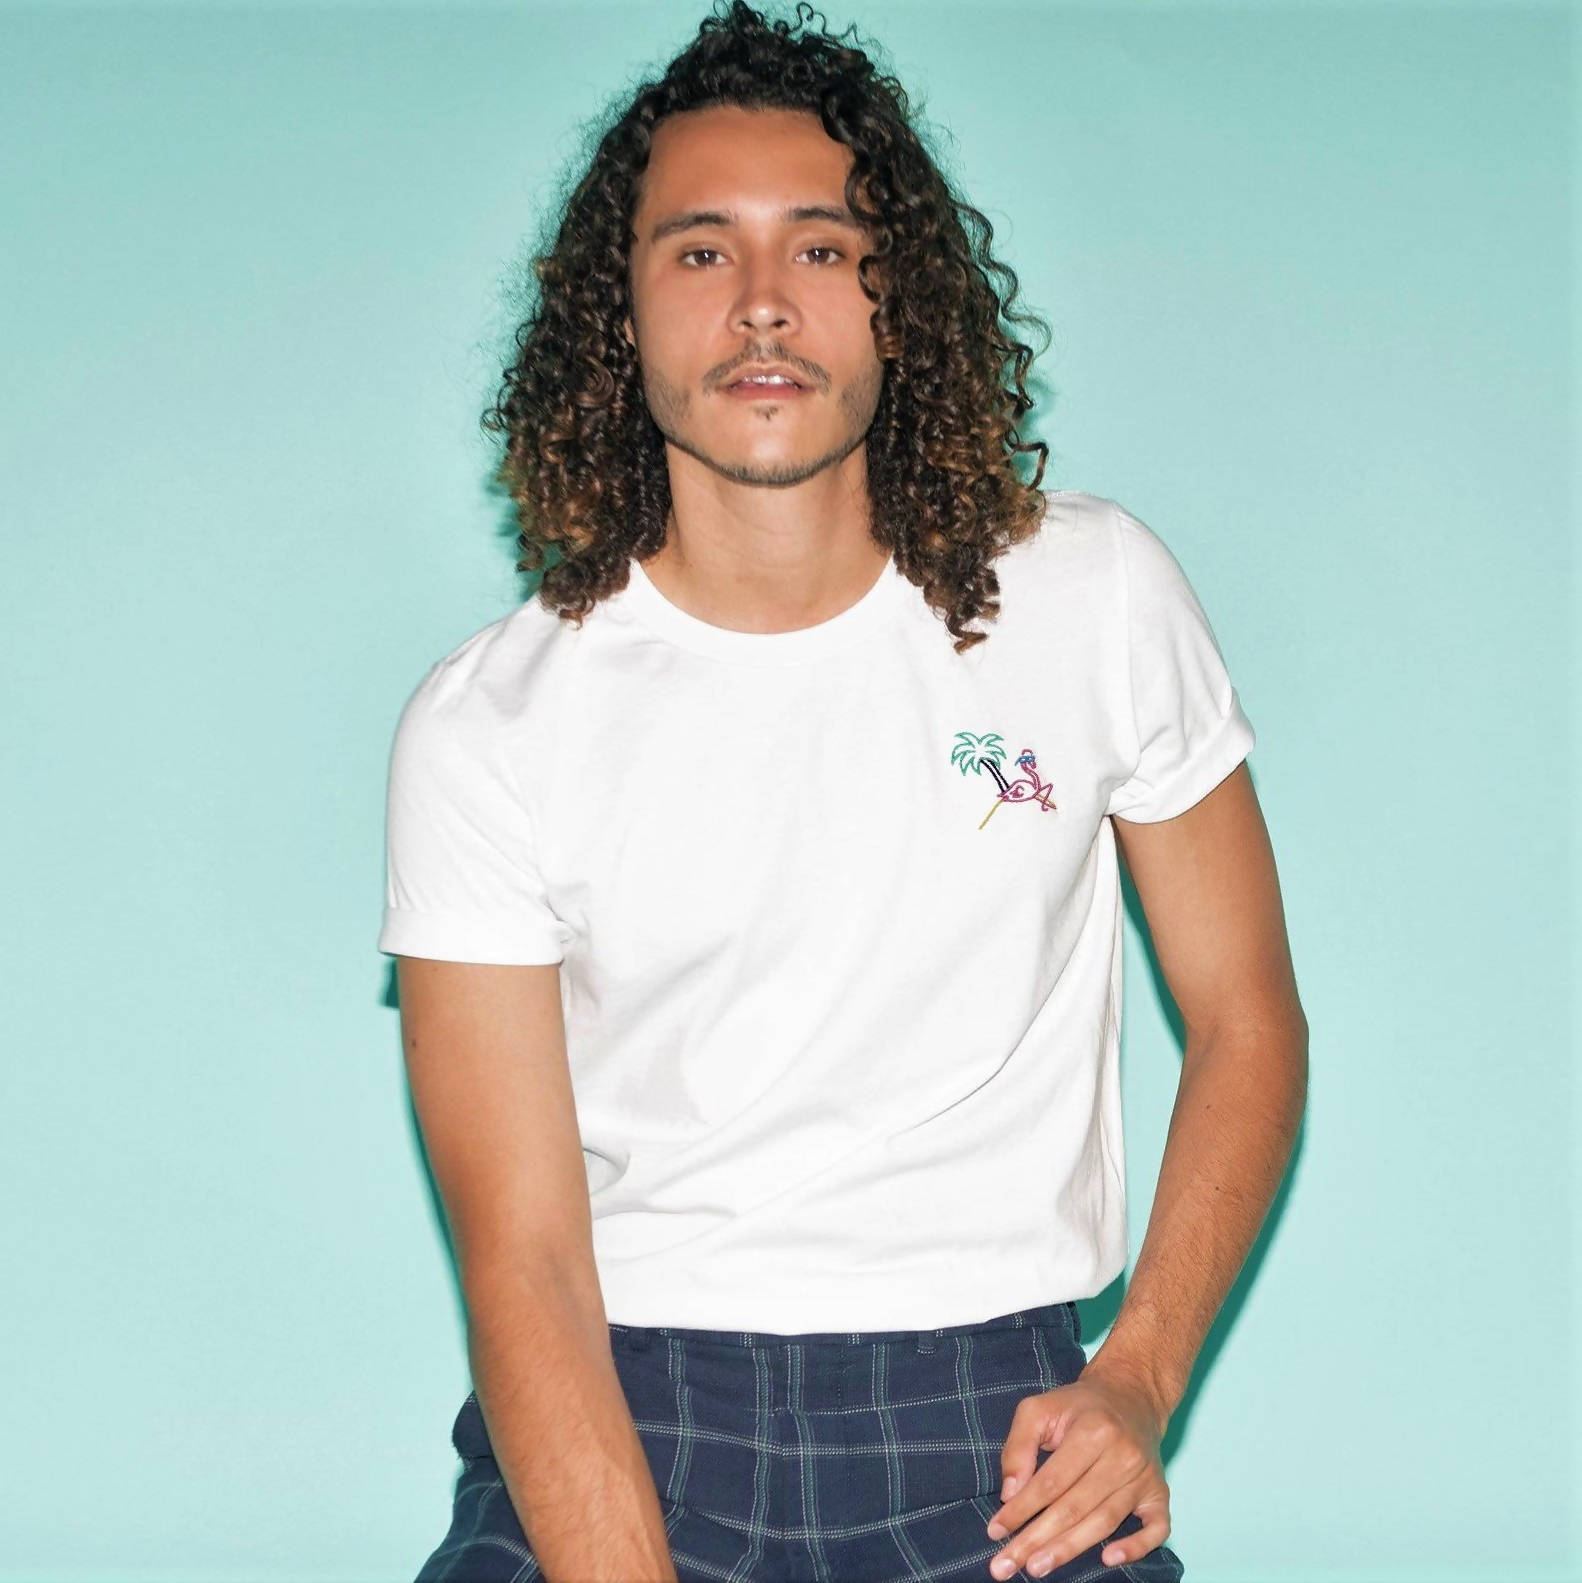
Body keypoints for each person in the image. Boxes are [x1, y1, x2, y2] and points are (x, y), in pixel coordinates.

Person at [377, 4, 1309, 1579]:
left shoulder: (1091, 598)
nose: (761, 302)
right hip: (628, 1400)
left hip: (997, 1420)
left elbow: (1245, 1016)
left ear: (901, 303)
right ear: (620, 318)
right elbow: (523, 1262)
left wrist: (1138, 1378)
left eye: (819, 248)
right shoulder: (490, 724)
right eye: (699, 252)